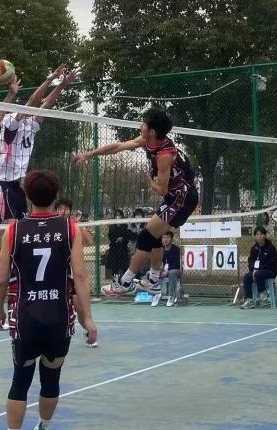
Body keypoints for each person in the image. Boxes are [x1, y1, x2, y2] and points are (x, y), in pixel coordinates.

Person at [0, 169, 98, 430]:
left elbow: (0, 279)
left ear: (27, 195)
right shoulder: (70, 228)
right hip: (58, 317)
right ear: (56, 196)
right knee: (51, 378)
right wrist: (88, 318)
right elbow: (80, 276)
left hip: (25, 317)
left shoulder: (13, 230)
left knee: (20, 380)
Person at [74, 109, 199, 297]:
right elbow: (118, 146)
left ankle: (125, 283)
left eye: (144, 124)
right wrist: (89, 154)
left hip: (182, 199)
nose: (140, 126)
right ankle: (154, 282)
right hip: (175, 197)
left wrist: (150, 181)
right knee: (154, 236)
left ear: (152, 131)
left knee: (146, 237)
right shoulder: (148, 141)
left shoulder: (164, 155)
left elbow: (162, 190)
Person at [0, 66, 79, 226]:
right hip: (3, 183)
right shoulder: (9, 122)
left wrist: (62, 84)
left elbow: (46, 104)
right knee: (9, 228)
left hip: (18, 184)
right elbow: (32, 101)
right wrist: (50, 78)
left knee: (21, 226)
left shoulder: (31, 125)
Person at [241, 226, 277, 309]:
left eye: (261, 234)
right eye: (257, 235)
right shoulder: (254, 248)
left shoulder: (271, 248)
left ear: (265, 235)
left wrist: (258, 269)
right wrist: (253, 269)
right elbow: (251, 261)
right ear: (255, 236)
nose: (259, 236)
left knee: (258, 274)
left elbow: (272, 263)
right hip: (256, 272)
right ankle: (249, 300)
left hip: (270, 271)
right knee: (246, 277)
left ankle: (264, 296)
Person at [106, 209, 132, 283]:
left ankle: (123, 282)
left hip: (123, 249)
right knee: (113, 266)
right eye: (116, 215)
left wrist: (122, 238)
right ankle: (113, 281)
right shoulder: (112, 226)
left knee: (123, 266)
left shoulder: (125, 225)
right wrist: (116, 239)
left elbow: (127, 236)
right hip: (114, 249)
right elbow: (110, 236)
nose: (118, 216)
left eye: (119, 215)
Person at [160, 231, 182, 306]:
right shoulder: (160, 249)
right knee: (151, 272)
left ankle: (171, 296)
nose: (165, 239)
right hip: (164, 270)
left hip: (175, 270)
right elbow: (158, 262)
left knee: (172, 273)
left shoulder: (176, 249)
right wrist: (161, 269)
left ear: (172, 239)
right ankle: (155, 295)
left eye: (168, 237)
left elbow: (177, 264)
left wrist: (167, 270)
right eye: (164, 237)